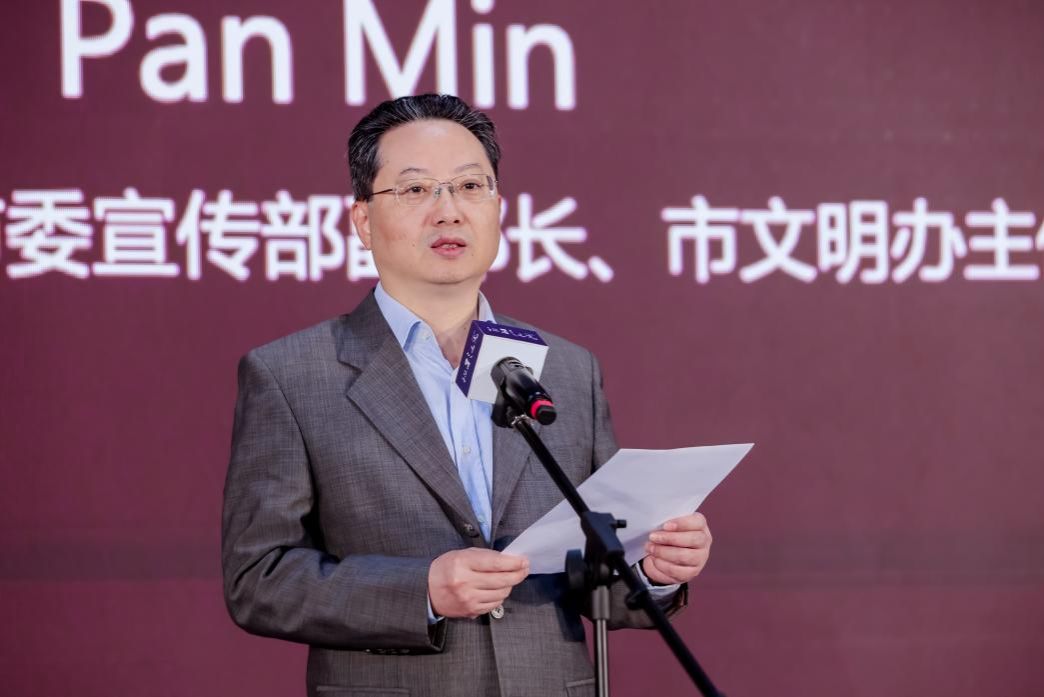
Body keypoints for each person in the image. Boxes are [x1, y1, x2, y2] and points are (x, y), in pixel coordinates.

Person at [221, 94, 713, 697]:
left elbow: (597, 571)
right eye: (415, 189)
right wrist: (421, 592)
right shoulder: (294, 375)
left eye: (470, 186)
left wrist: (652, 569)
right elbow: (258, 578)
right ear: (363, 222)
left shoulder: (566, 368)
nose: (449, 211)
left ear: (498, 209)